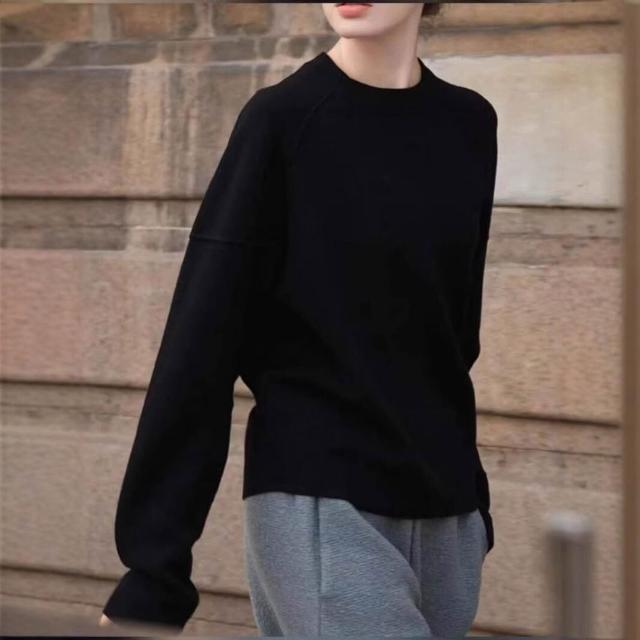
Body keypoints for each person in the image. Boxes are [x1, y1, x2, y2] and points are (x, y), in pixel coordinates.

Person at [100, 2, 499, 636]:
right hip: (321, 497)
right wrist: (154, 575)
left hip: (447, 513)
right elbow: (201, 341)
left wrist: (473, 498)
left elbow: (452, 334)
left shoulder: (470, 124)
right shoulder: (283, 120)